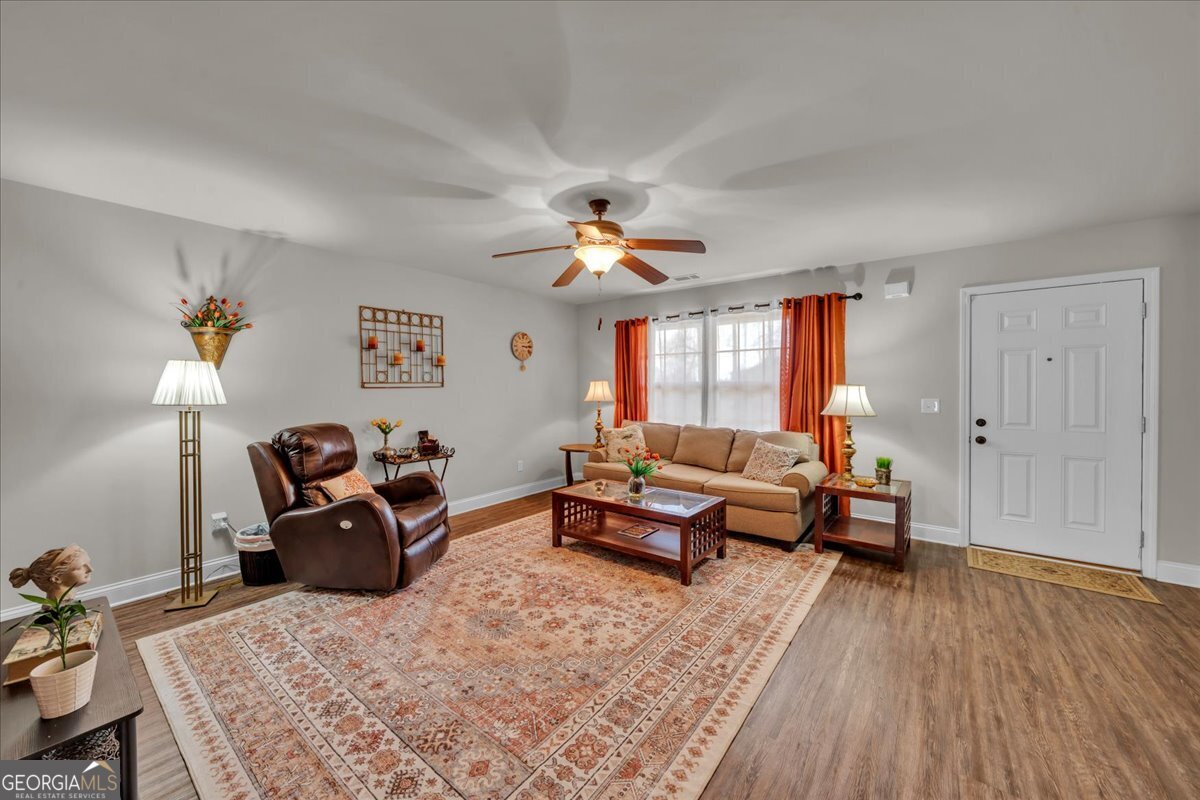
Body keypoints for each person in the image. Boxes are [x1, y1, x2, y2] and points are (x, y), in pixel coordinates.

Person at [8, 545, 93, 602]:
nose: (90, 569)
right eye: (79, 568)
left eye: (88, 563)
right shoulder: (58, 611)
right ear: (56, 578)